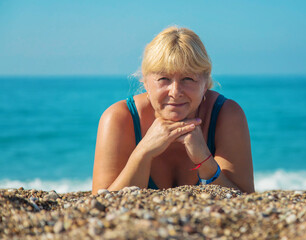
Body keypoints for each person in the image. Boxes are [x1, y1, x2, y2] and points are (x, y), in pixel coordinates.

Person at [92, 26, 254, 194]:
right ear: (145, 82)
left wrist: (205, 161)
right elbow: (100, 206)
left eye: (188, 78)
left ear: (205, 83)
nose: (175, 92)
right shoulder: (119, 118)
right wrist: (143, 153)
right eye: (163, 78)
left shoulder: (226, 114)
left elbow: (247, 202)